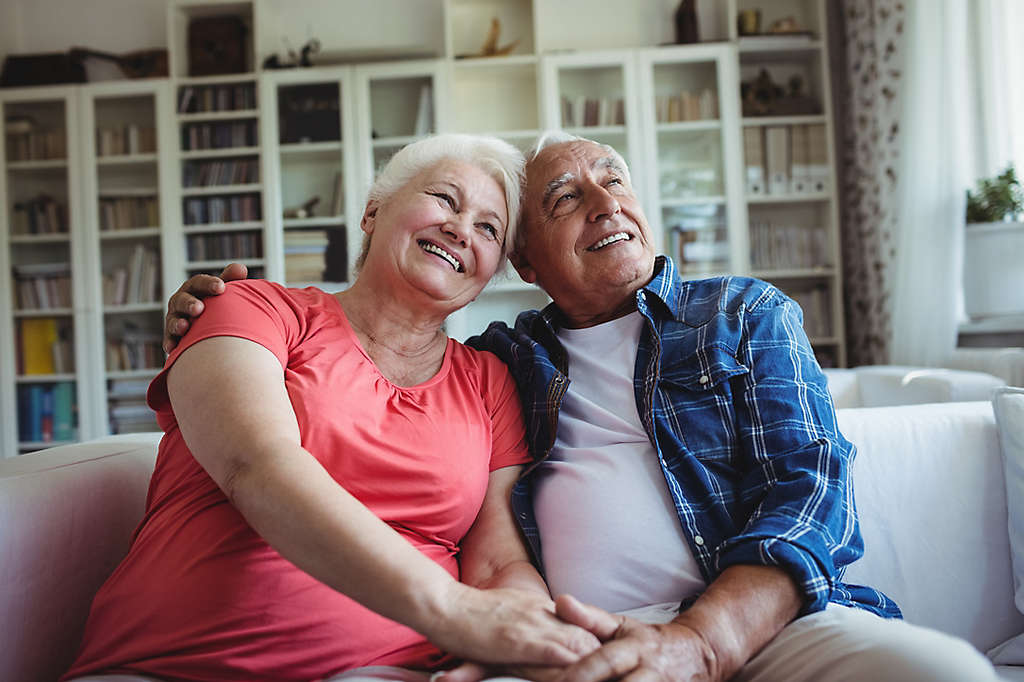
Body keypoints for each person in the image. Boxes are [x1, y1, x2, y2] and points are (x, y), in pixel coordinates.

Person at [166, 131, 999, 682]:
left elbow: (811, 495)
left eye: (615, 182)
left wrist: (701, 642)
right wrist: (203, 321)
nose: (605, 205)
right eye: (565, 199)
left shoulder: (744, 314)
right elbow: (361, 381)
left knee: (944, 674)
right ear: (522, 262)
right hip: (582, 645)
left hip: (763, 626)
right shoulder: (505, 362)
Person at [62, 134, 602, 682]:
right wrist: (453, 612)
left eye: (489, 228)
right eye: (444, 199)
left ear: (491, 270)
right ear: (372, 212)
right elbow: (257, 466)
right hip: (178, 663)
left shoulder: (489, 381)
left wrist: (524, 637)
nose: (461, 229)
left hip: (393, 670)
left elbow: (498, 564)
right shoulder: (253, 309)